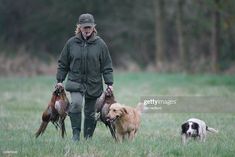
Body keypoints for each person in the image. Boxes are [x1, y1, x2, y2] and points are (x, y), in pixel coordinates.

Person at [56, 13, 114, 141]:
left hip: (93, 84)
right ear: (79, 27)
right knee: (76, 104)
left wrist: (109, 83)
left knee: (90, 112)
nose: (87, 30)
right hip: (75, 82)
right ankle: (76, 135)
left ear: (94, 27)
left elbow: (107, 65)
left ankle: (88, 138)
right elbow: (63, 63)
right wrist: (59, 80)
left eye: (89, 27)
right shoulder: (71, 43)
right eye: (84, 27)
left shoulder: (100, 44)